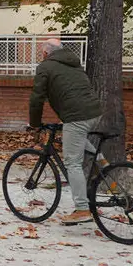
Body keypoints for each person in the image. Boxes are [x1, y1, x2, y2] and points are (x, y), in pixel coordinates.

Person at [29, 37, 102, 225]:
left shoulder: (45, 67)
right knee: (73, 136)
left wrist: (35, 124)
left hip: (76, 117)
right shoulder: (74, 63)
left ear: (46, 53)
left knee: (72, 163)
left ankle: (82, 209)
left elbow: (37, 99)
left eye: (41, 52)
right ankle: (101, 159)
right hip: (95, 112)